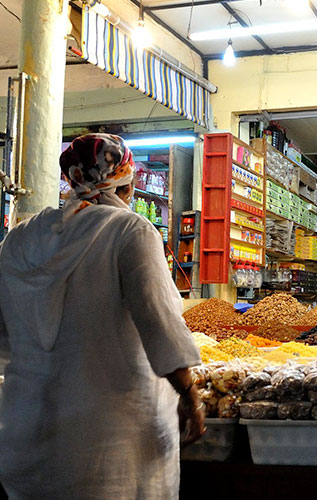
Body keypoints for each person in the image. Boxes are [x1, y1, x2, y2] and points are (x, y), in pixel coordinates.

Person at [0, 134, 204, 499]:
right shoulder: (131, 231)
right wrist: (190, 395)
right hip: (109, 447)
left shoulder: (19, 238)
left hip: (27, 435)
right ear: (127, 183)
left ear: (73, 179)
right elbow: (159, 325)